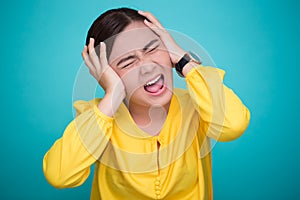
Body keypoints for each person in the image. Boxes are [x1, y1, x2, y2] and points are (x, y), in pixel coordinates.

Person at [43, 7, 250, 200]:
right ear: (107, 74)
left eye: (152, 49)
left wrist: (183, 61)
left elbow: (233, 125)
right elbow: (59, 175)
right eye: (127, 61)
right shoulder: (97, 116)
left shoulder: (197, 105)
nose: (147, 67)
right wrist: (112, 94)